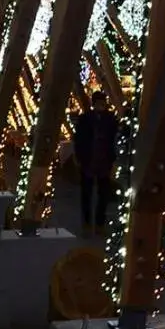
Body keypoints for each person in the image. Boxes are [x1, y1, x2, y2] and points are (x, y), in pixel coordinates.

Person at [73, 90, 118, 237]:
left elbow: (114, 139)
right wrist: (79, 158)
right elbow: (78, 139)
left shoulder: (111, 119)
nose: (101, 105)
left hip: (104, 160)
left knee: (103, 194)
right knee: (86, 194)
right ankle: (86, 224)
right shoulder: (85, 119)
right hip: (88, 160)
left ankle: (99, 224)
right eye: (99, 103)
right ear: (94, 104)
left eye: (103, 103)